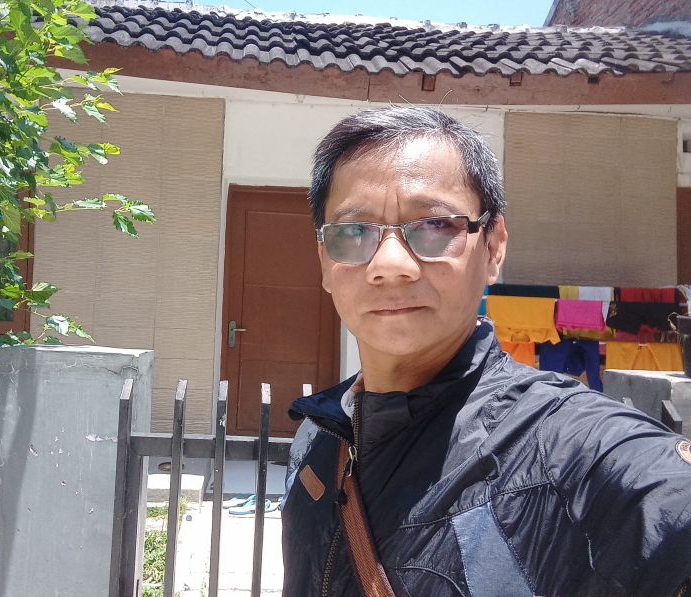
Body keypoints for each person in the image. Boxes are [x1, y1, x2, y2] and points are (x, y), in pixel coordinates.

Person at [280, 106, 691, 597]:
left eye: (435, 225)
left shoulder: (567, 451)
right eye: (353, 232)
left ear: (494, 248)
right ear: (325, 264)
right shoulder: (318, 435)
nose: (389, 265)